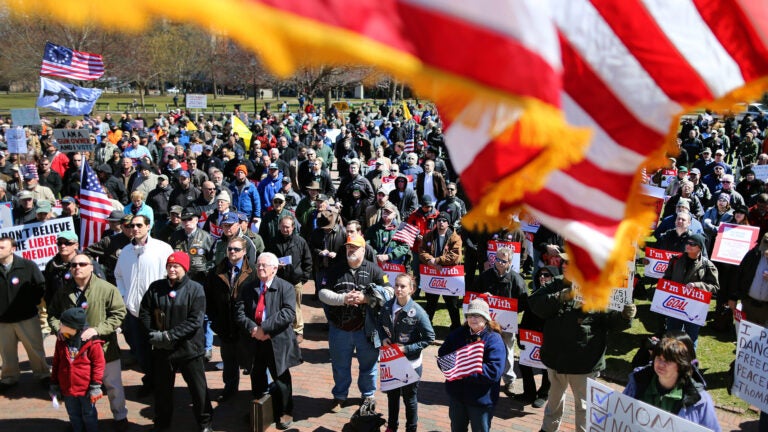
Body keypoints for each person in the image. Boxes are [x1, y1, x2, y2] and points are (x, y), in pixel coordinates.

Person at [529, 268, 636, 432]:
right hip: (555, 358)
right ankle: (548, 428)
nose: (566, 265)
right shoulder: (557, 283)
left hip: (584, 363)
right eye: (565, 262)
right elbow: (535, 304)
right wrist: (560, 296)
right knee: (554, 399)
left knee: (584, 406)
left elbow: (611, 323)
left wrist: (624, 317)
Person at [47, 253, 129, 431]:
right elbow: (52, 314)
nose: (77, 267)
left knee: (113, 386)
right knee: (78, 389)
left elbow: (119, 314)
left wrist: (97, 330)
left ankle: (120, 416)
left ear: (91, 267)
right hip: (74, 352)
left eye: (82, 264)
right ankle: (79, 420)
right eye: (74, 265)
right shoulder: (63, 291)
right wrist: (58, 329)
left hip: (104, 347)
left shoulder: (106, 288)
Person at [139, 252, 213, 432]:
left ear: (185, 268)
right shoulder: (156, 287)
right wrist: (153, 334)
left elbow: (195, 320)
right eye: (169, 266)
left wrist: (170, 336)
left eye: (176, 266)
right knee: (162, 391)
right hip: (163, 350)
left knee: (198, 390)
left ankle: (205, 424)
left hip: (189, 348)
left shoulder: (195, 289)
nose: (172, 269)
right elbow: (145, 312)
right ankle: (162, 424)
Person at [320, 234, 392, 413]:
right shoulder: (335, 269)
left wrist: (366, 298)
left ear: (363, 250)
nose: (350, 250)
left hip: (366, 329)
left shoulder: (375, 270)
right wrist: (343, 298)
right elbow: (322, 293)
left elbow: (389, 292)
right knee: (339, 365)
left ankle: (368, 395)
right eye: (347, 247)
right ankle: (340, 396)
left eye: (354, 247)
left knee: (369, 365)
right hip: (339, 328)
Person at [234, 252, 302, 430]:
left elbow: (288, 313)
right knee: (256, 375)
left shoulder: (285, 287)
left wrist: (265, 329)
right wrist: (253, 329)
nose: (260, 268)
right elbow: (239, 312)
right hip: (255, 339)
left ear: (274, 269)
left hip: (276, 339)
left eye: (264, 265)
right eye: (258, 265)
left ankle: (285, 410)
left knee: (281, 377)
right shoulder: (248, 287)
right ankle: (259, 408)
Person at [114, 214, 173, 396]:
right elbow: (119, 275)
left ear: (149, 226)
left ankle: (164, 384)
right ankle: (150, 379)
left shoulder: (162, 249)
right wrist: (124, 296)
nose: (135, 229)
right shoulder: (125, 251)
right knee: (141, 351)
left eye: (139, 225)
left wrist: (165, 300)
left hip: (158, 311)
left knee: (162, 350)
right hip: (134, 311)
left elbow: (172, 275)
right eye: (132, 226)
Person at [623, 336, 721, 431]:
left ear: (680, 365)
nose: (661, 364)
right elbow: (620, 413)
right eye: (658, 358)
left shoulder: (699, 400)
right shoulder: (637, 381)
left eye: (668, 361)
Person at [377, 274, 435, 432]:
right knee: (392, 396)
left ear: (412, 289)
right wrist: (383, 339)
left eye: (403, 286)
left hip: (411, 363)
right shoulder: (388, 306)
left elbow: (430, 337)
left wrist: (406, 349)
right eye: (396, 285)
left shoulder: (418, 312)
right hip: (392, 360)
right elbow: (379, 325)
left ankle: (411, 428)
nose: (398, 289)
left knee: (409, 399)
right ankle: (392, 426)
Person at [437, 299, 505, 432]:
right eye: (470, 315)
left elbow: (493, 371)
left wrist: (463, 369)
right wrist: (462, 367)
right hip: (457, 397)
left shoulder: (493, 339)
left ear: (485, 318)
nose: (473, 319)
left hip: (481, 400)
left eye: (477, 315)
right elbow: (443, 356)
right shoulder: (458, 334)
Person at [205, 237, 257, 402]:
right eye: (230, 249)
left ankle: (258, 391)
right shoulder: (216, 272)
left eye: (236, 249)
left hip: (246, 327)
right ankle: (230, 388)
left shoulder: (254, 272)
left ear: (244, 252)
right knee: (229, 361)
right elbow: (209, 299)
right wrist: (215, 321)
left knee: (252, 362)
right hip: (224, 325)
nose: (232, 252)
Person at [472, 246, 527, 393]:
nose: (499, 263)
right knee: (484, 348)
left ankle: (509, 380)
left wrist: (509, 308)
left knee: (507, 350)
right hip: (487, 322)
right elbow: (474, 295)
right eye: (497, 259)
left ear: (509, 262)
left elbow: (523, 301)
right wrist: (483, 296)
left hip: (507, 324)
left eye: (503, 261)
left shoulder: (516, 278)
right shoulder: (485, 275)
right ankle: (485, 376)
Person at [0, 236, 50, 391]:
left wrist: (31, 302)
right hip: (3, 320)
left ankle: (42, 374)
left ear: (13, 249)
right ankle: (9, 377)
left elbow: (40, 286)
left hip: (27, 317)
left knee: (35, 349)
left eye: (2, 247)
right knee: (6, 351)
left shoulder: (27, 266)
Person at [49, 307, 105, 432]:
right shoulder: (61, 340)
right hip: (67, 388)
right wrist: (54, 383)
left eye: (63, 324)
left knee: (89, 414)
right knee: (73, 414)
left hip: (86, 389)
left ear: (73, 327)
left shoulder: (92, 342)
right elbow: (56, 362)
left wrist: (95, 386)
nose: (60, 326)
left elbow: (98, 365)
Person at [661, 233, 719, 346]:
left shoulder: (707, 266)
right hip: (675, 304)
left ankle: (691, 362)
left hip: (695, 308)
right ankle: (671, 359)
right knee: (671, 335)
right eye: (688, 242)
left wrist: (697, 285)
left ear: (700, 247)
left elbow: (715, 287)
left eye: (693, 244)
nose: (688, 245)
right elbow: (667, 278)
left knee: (691, 339)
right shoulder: (675, 259)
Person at [266, 215, 312, 343]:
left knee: (296, 306)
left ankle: (298, 331)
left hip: (295, 280)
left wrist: (303, 278)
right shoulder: (273, 241)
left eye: (288, 227)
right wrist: (275, 265)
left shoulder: (300, 241)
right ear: (279, 226)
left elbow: (307, 261)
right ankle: (282, 328)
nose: (285, 229)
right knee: (278, 306)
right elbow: (267, 256)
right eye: (283, 226)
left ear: (293, 227)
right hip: (278, 280)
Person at [421, 211, 463, 329]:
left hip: (450, 276)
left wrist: (437, 260)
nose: (441, 223)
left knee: (452, 304)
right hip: (433, 274)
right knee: (430, 303)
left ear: (448, 223)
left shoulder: (455, 237)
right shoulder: (429, 235)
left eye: (444, 221)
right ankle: (426, 327)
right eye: (439, 220)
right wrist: (430, 261)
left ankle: (456, 327)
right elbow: (422, 250)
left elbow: (455, 256)